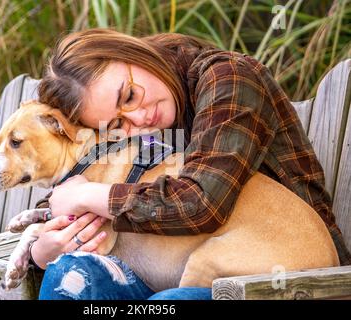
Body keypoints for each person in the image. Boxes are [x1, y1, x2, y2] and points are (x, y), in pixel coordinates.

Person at [29, 28, 351, 300]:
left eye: (128, 96)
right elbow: (76, 185)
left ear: (134, 53)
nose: (139, 119)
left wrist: (86, 196)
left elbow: (201, 203)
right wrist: (41, 250)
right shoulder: (145, 125)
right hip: (180, 270)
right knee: (68, 273)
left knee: (167, 303)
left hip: (286, 276)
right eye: (116, 126)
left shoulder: (228, 78)